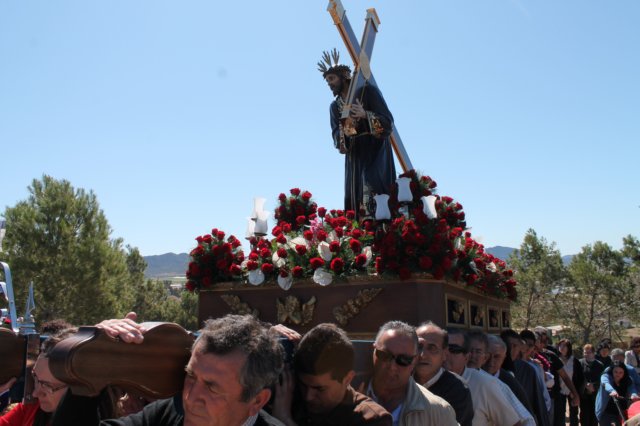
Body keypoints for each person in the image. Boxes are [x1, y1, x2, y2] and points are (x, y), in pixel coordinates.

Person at [53, 314, 285, 426]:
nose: (190, 397)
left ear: (257, 400)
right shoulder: (168, 414)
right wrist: (91, 359)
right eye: (191, 376)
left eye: (212, 387)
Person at [319, 50, 396, 216]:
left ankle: (380, 224)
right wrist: (345, 131)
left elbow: (388, 123)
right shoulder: (335, 107)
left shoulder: (368, 92)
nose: (329, 84)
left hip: (375, 151)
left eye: (332, 78)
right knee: (355, 196)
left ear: (344, 76)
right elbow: (337, 139)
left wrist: (365, 115)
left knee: (374, 191)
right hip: (354, 157)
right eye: (327, 81)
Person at [272, 322, 391, 425]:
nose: (308, 396)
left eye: (320, 389)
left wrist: (285, 421)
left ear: (347, 379)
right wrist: (268, 337)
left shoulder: (372, 418)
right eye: (303, 385)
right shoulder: (286, 400)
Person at [0, 327, 116, 426]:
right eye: (35, 378)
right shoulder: (32, 409)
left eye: (47, 385)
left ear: (83, 387)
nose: (35, 393)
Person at [367, 321, 457, 425]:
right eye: (385, 355)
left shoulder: (438, 412)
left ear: (415, 360)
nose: (392, 367)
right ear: (373, 351)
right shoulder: (351, 396)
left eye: (403, 360)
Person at [445, 328, 534, 426]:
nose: (473, 356)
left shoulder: (491, 384)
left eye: (478, 351)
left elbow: (524, 421)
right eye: (471, 350)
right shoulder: (435, 379)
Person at [414, 321, 473, 426]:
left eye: (432, 348)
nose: (422, 355)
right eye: (419, 347)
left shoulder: (458, 389)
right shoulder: (402, 381)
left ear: (445, 354)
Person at [483, 335, 536, 423]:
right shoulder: (471, 377)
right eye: (487, 355)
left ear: (504, 357)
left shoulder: (510, 383)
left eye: (497, 356)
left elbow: (527, 418)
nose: (491, 361)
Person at [595, 360, 640, 426]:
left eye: (621, 372)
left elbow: (632, 389)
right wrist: (612, 391)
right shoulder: (605, 376)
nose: (618, 374)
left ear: (624, 372)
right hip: (606, 411)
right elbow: (605, 383)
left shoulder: (628, 379)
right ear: (612, 371)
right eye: (615, 372)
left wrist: (634, 395)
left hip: (622, 411)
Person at [557, 338, 583, 426]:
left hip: (572, 391)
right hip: (559, 391)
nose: (562, 347)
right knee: (560, 413)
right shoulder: (555, 359)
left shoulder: (574, 361)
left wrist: (575, 392)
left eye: (564, 346)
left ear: (569, 348)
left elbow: (579, 378)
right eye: (560, 345)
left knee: (574, 414)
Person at [580, 344, 605, 426]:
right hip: (583, 394)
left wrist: (594, 386)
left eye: (589, 352)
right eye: (585, 352)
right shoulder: (580, 363)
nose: (586, 354)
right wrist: (585, 385)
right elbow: (577, 377)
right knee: (584, 416)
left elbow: (602, 379)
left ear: (594, 353)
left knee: (594, 416)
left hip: (596, 395)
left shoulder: (600, 365)